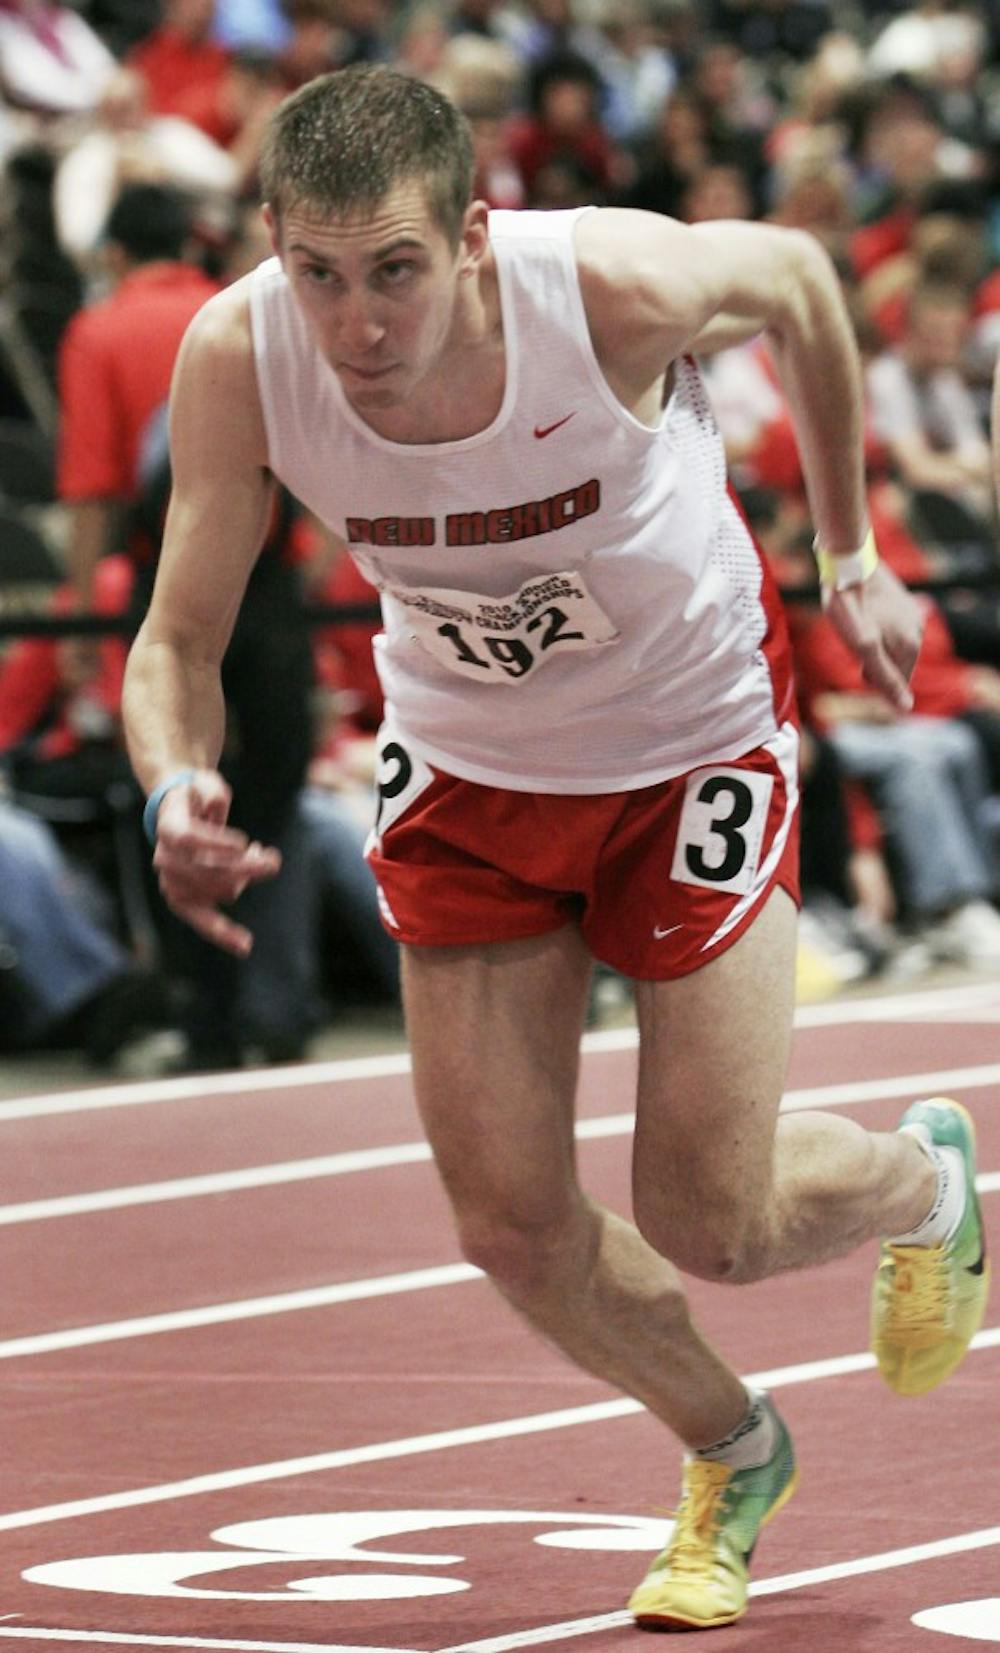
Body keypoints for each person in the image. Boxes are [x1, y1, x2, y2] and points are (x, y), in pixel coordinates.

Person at [121, 66, 989, 1632]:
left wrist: (851, 548)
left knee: (708, 1215)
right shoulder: (242, 354)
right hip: (467, 770)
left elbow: (798, 278)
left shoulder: (603, 289)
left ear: (471, 236)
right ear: (269, 243)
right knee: (508, 1222)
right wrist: (173, 781)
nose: (358, 324)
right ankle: (735, 1447)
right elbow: (177, 633)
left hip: (685, 743)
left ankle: (923, 1185)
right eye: (317, 273)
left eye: (394, 270)